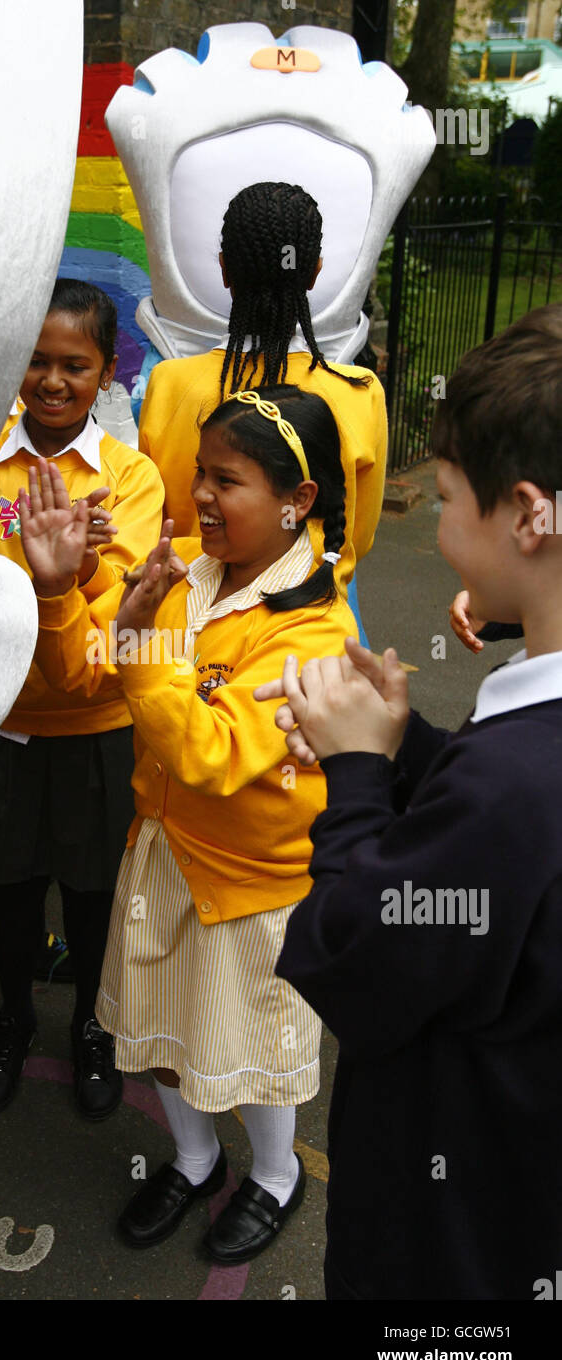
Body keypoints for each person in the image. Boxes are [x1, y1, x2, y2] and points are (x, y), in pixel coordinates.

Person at [257, 305, 562, 1298]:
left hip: (452, 1240)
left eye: (441, 498)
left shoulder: (512, 784)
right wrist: (403, 750)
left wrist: (350, 776)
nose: (434, 528)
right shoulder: (513, 765)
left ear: (525, 514)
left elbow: (354, 951)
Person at [20, 385, 358, 1264]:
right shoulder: (182, 574)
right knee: (161, 1029)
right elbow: (78, 677)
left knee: (248, 1049)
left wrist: (137, 649)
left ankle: (276, 1176)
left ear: (297, 501)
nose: (200, 496)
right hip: (161, 854)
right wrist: (61, 587)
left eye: (228, 481)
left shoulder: (311, 632)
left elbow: (207, 753)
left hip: (249, 883)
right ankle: (195, 1160)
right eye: (198, 474)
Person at [0, 279, 164, 1122]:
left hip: (97, 727)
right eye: (35, 360)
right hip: (1, 722)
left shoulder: (130, 480)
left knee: (95, 891)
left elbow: (111, 624)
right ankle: (14, 1020)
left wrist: (64, 569)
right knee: (8, 883)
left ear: (107, 373)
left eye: (75, 363)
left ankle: (94, 1032)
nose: (52, 380)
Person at [138, 181, 386, 636]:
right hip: (312, 625)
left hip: (188, 626)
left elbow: (154, 523)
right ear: (314, 272)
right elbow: (358, 538)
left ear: (224, 270)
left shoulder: (169, 385)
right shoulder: (359, 392)